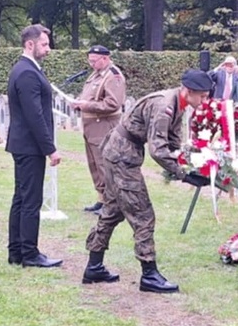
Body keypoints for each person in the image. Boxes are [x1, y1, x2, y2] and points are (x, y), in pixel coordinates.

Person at [83, 69, 214, 293]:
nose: (205, 101)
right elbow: (158, 149)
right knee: (143, 215)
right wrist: (185, 175)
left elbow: (172, 141)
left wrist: (193, 164)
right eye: (202, 96)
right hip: (122, 157)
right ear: (189, 91)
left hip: (121, 153)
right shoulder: (165, 106)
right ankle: (149, 274)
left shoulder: (177, 103)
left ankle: (94, 266)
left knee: (113, 210)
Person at [5, 24, 63, 268]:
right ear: (30, 44)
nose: (48, 49)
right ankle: (29, 253)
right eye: (44, 44)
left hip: (23, 145)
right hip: (29, 146)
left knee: (21, 198)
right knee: (30, 201)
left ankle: (16, 251)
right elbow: (35, 115)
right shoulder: (27, 72)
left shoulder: (24, 69)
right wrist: (50, 148)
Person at [72, 45, 127, 215]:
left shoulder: (113, 76)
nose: (91, 64)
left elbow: (112, 104)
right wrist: (78, 103)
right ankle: (101, 199)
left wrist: (87, 105)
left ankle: (111, 203)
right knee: (94, 164)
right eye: (90, 61)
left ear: (105, 58)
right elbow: (89, 96)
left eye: (94, 61)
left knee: (105, 165)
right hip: (91, 127)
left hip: (104, 126)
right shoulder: (95, 74)